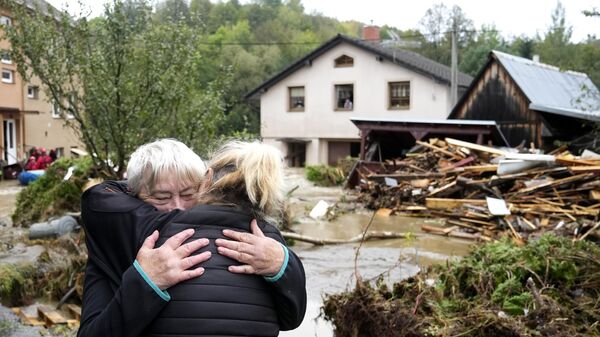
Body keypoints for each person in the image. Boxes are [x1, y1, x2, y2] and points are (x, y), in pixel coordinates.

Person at [79, 139, 306, 336]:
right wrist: (145, 281)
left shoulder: (264, 245)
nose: (177, 207)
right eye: (161, 197)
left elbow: (290, 318)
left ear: (205, 184)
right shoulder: (117, 237)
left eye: (188, 194)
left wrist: (282, 264)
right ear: (132, 196)